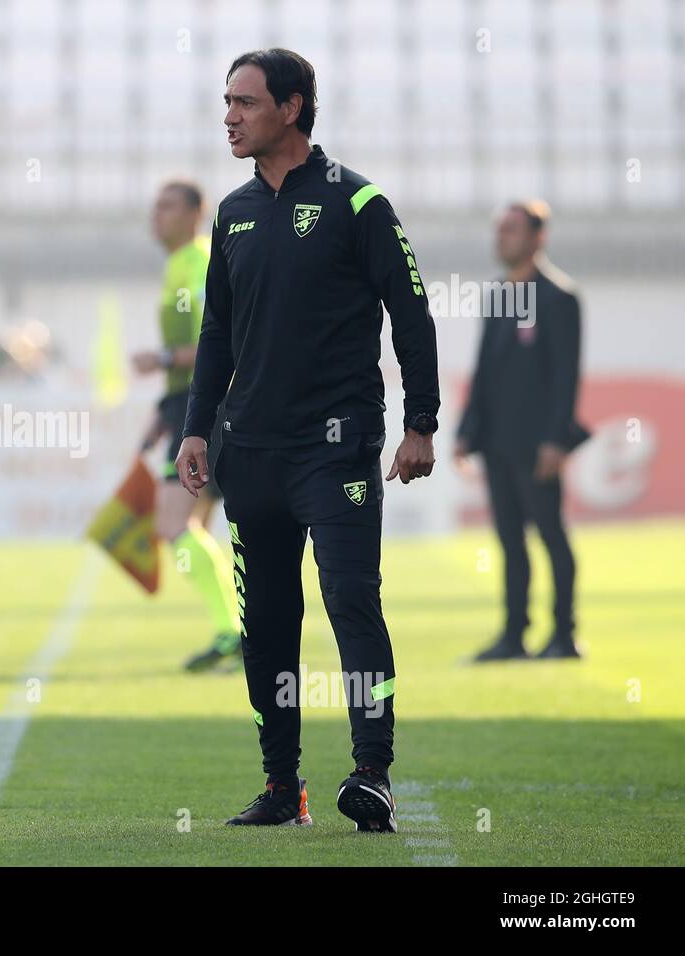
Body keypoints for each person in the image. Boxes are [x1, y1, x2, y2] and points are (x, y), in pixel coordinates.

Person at [174, 48, 440, 832]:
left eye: (245, 103)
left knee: (351, 602)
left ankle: (372, 773)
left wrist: (420, 421)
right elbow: (216, 331)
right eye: (226, 102)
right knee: (268, 626)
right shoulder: (233, 213)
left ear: (291, 108)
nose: (229, 116)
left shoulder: (359, 204)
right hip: (249, 453)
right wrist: (196, 429)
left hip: (337, 449)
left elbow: (412, 312)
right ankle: (281, 787)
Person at [456, 200, 589, 661]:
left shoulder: (559, 296)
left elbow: (565, 375)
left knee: (551, 534)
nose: (502, 237)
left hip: (538, 445)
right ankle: (514, 635)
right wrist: (465, 432)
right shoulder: (498, 295)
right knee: (510, 541)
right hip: (496, 441)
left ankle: (564, 635)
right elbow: (484, 370)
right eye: (499, 229)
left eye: (511, 229)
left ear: (538, 236)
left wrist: (556, 439)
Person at [133, 181, 242, 673]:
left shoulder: (198, 262)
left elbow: (225, 341)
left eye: (167, 206)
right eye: (155, 206)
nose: (156, 215)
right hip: (190, 407)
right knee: (194, 527)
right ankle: (237, 633)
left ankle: (233, 632)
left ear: (197, 213)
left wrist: (160, 359)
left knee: (173, 524)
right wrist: (164, 410)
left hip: (210, 411)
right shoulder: (178, 264)